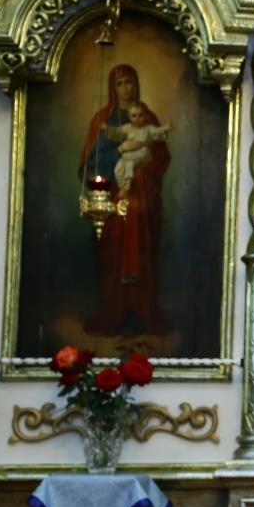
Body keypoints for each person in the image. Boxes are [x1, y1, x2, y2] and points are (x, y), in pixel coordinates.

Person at [78, 64, 170, 335]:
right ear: (112, 88)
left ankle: (142, 311)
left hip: (143, 200)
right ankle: (113, 312)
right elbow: (90, 163)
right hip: (112, 202)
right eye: (120, 83)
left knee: (143, 253)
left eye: (129, 82)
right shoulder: (103, 120)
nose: (126, 88)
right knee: (112, 255)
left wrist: (143, 169)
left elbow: (162, 156)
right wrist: (119, 151)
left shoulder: (147, 118)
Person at [103, 102, 172, 195]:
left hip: (143, 154)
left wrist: (166, 128)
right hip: (129, 155)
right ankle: (122, 186)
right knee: (118, 169)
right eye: (134, 116)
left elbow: (157, 131)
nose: (137, 118)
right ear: (129, 116)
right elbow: (117, 132)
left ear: (145, 116)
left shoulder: (148, 128)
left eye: (140, 115)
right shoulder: (127, 128)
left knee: (130, 164)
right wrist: (107, 129)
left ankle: (128, 183)